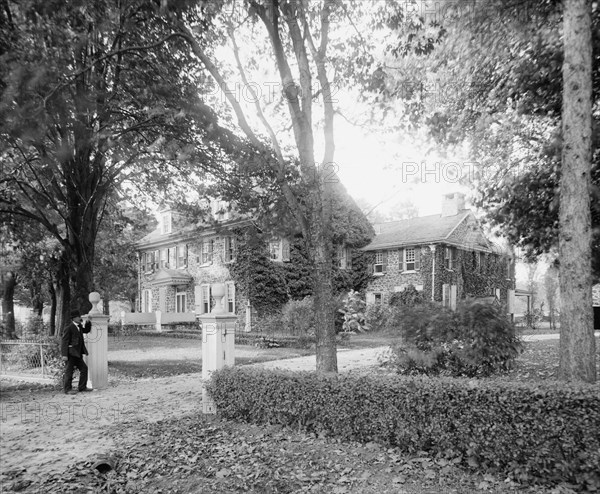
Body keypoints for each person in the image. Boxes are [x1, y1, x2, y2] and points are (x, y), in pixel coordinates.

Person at [61, 309, 92, 394]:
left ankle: (82, 387)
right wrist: (64, 355)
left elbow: (87, 330)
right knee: (69, 371)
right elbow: (64, 341)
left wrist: (88, 321)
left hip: (77, 353)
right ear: (74, 318)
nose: (80, 318)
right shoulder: (69, 328)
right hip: (70, 354)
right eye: (78, 317)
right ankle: (67, 389)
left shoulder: (79, 326)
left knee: (84, 369)